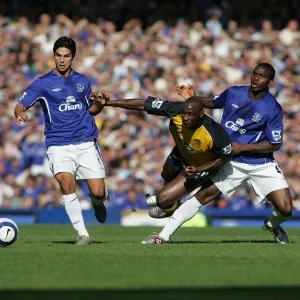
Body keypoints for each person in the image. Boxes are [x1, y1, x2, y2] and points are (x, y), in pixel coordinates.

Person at [142, 62, 293, 245]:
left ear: (270, 81)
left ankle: (272, 224)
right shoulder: (234, 92)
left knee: (285, 209)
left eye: (261, 76)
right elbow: (213, 102)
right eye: (254, 74)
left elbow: (274, 144)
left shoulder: (272, 108)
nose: (255, 78)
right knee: (202, 197)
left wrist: (242, 147)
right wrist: (194, 99)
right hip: (231, 161)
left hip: (261, 163)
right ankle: (162, 236)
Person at [14, 36, 108, 246]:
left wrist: (100, 105)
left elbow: (90, 110)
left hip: (85, 141)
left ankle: (97, 201)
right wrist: (20, 113)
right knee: (66, 183)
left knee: (99, 192)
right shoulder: (42, 82)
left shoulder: (83, 81)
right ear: (53, 56)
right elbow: (21, 104)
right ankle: (83, 234)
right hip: (58, 143)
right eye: (58, 55)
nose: (62, 60)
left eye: (66, 56)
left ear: (73, 57)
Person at [90, 92, 233, 218]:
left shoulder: (215, 134)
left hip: (200, 166)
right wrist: (110, 103)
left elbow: (224, 157)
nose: (186, 117)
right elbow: (143, 104)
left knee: (162, 199)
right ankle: (172, 202)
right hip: (182, 154)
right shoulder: (176, 110)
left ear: (201, 114)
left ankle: (169, 205)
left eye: (190, 115)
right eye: (184, 113)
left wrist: (200, 170)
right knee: (166, 174)